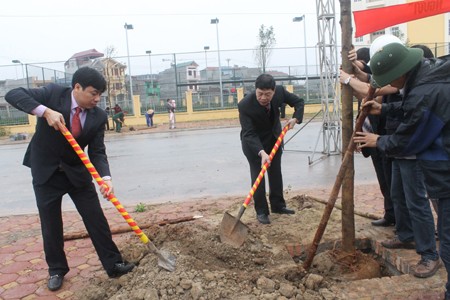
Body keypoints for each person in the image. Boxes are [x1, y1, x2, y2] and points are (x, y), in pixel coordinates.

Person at [5, 67, 135, 291]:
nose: (97, 99)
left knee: (96, 219)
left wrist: (105, 177)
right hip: (46, 172)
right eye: (93, 93)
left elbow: (97, 152)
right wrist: (45, 111)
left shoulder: (99, 116)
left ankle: (114, 264)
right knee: (51, 224)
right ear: (77, 88)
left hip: (76, 173)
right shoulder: (54, 94)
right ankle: (56, 270)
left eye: (100, 95)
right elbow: (13, 95)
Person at [354, 43, 450, 288]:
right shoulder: (427, 72)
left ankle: (431, 256)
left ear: (399, 73)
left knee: (446, 241)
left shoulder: (425, 90)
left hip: (442, 168)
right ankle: (408, 236)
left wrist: (379, 140)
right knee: (400, 195)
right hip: (437, 163)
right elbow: (414, 108)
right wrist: (384, 107)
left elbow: (411, 137)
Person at [238, 74, 304, 224]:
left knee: (275, 173)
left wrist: (296, 118)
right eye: (260, 93)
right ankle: (261, 211)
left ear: (274, 91)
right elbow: (249, 133)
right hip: (254, 145)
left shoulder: (280, 92)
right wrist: (262, 153)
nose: (263, 98)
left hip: (274, 140)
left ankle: (278, 205)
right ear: (255, 90)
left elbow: (299, 102)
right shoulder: (245, 105)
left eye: (267, 94)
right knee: (258, 177)